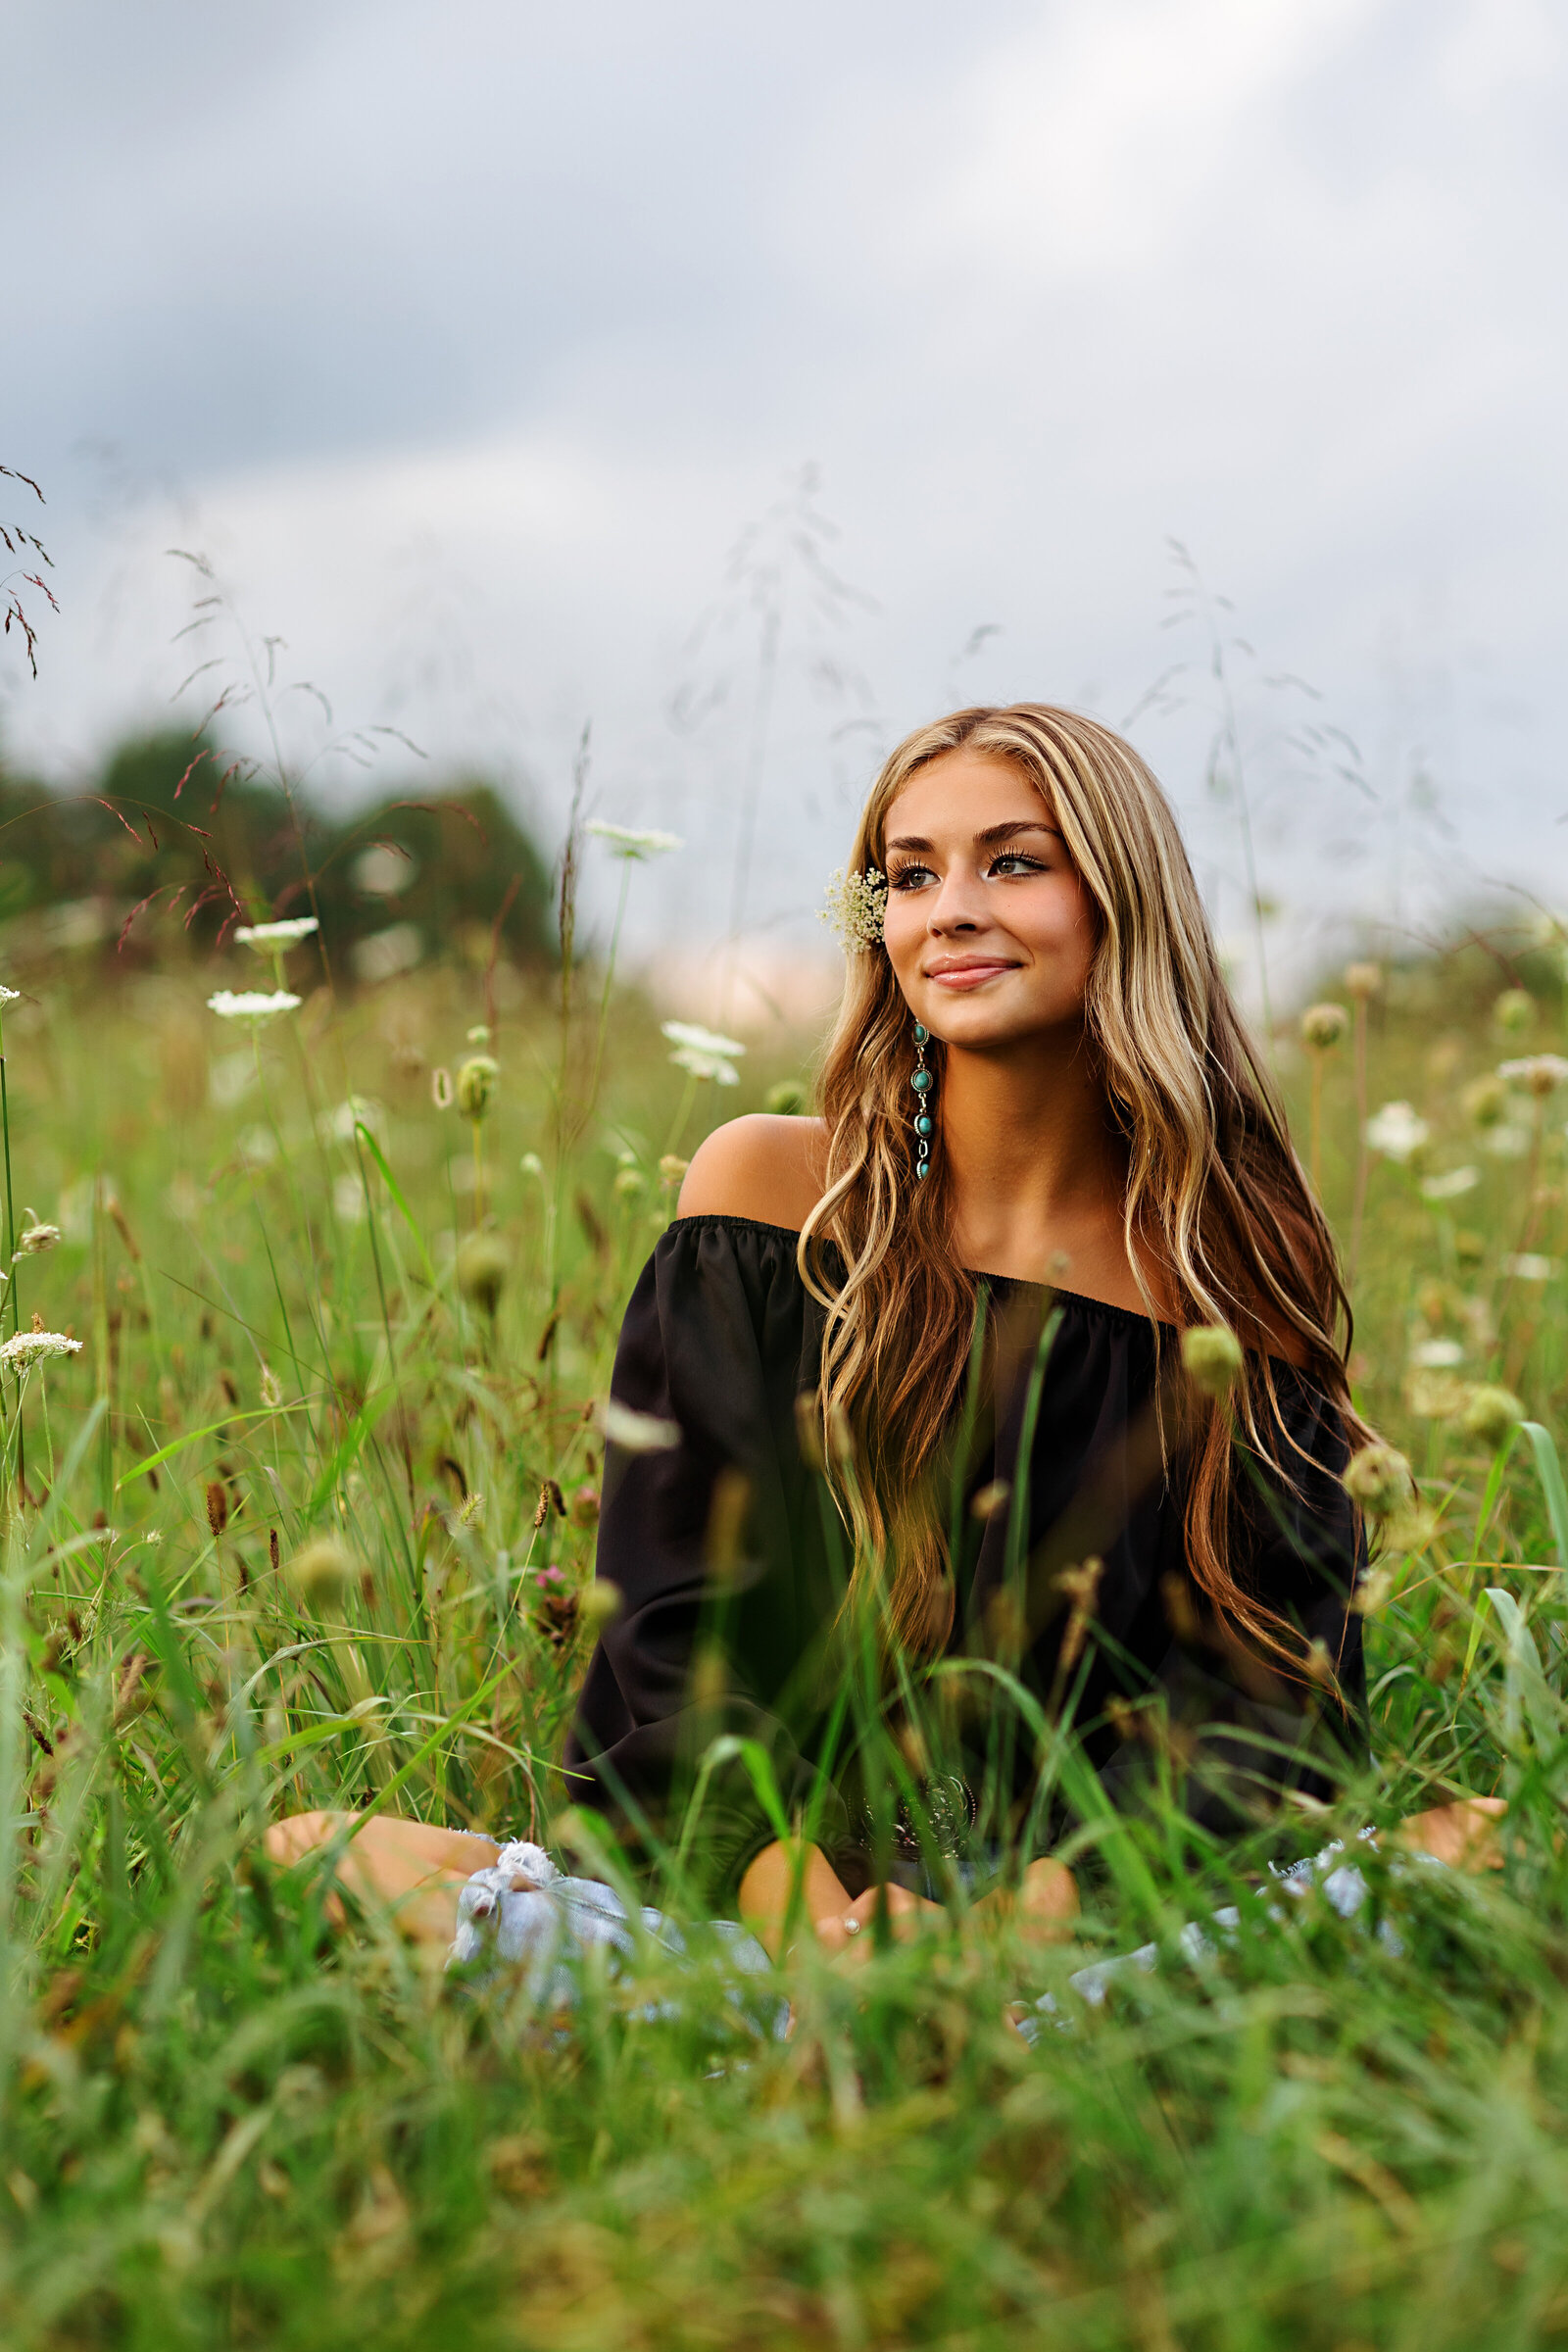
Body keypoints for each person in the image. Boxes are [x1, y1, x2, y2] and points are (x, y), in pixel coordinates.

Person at [267, 705, 1499, 1956]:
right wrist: (812, 1927)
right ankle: (813, 2026)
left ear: (1123, 901)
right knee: (318, 1855)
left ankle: (951, 2035)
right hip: (769, 1924)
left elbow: (1265, 1722)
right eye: (910, 877)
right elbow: (666, 1636)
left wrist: (1019, 1927)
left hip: (1102, 1931)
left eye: (1012, 862)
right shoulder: (768, 1201)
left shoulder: (1228, 1281)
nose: (949, 909)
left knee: (1496, 1834)